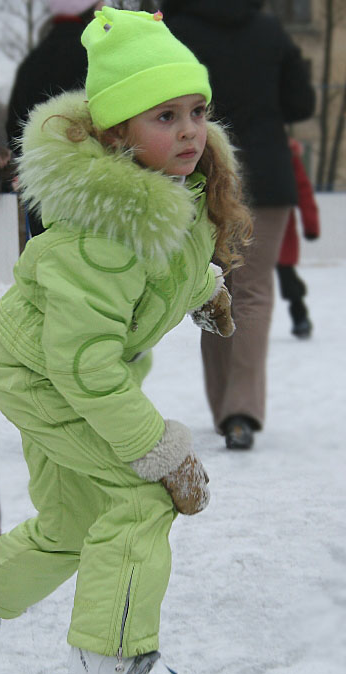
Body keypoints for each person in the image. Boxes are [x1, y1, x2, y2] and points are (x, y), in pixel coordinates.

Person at [0, 7, 251, 674]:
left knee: (72, 525)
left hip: (57, 372)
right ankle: (111, 670)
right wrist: (158, 449)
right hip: (51, 381)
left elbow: (169, 271)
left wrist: (207, 292)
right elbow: (84, 363)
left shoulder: (166, 192)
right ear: (117, 132)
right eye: (165, 115)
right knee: (139, 495)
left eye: (197, 110)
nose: (190, 130)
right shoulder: (104, 230)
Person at [162, 0, 316, 449]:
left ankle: (222, 406)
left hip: (203, 171)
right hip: (266, 175)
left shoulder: (174, 29)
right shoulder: (269, 32)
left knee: (215, 288)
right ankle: (240, 412)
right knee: (252, 292)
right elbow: (301, 103)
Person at [6, 0, 104, 236]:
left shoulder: (31, 64)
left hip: (43, 189)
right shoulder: (98, 55)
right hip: (95, 185)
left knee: (51, 260)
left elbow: (14, 128)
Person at [276, 138, 319, 340]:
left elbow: (303, 188)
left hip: (280, 226)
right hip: (246, 223)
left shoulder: (287, 151)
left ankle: (300, 317)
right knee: (242, 278)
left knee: (287, 275)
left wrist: (311, 224)